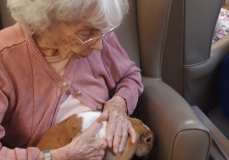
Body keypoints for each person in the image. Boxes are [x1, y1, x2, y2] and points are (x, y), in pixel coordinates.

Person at [0, 0, 144, 159]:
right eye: (86, 33)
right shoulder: (5, 56)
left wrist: (119, 103)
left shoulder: (98, 31)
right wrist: (58, 156)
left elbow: (129, 75)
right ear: (45, 20)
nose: (99, 46)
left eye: (102, 31)